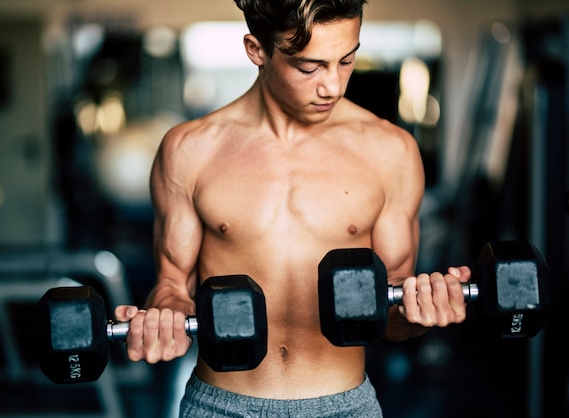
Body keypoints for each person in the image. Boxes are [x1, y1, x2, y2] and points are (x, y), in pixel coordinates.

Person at [115, 0, 472, 416]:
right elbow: (173, 284)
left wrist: (422, 309)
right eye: (310, 67)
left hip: (345, 405)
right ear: (257, 51)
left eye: (347, 60)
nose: (333, 86)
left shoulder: (390, 151)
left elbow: (391, 317)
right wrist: (165, 318)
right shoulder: (190, 150)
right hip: (220, 405)